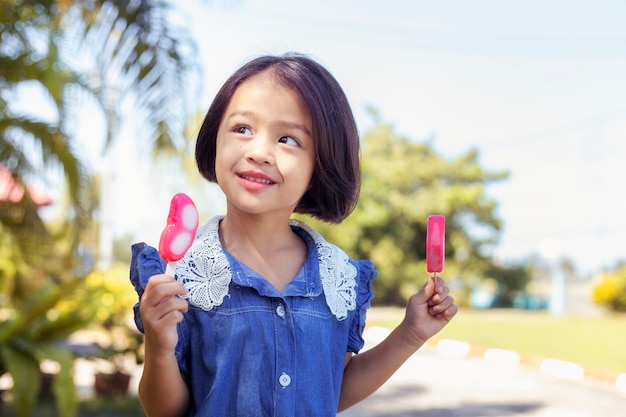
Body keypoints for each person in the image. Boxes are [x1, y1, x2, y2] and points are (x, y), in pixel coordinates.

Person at [130, 52, 458, 417]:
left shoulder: (337, 279)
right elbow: (164, 411)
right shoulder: (181, 274)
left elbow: (334, 389)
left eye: (287, 139)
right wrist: (159, 347)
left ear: (320, 165)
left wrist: (410, 334)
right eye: (242, 129)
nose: (259, 152)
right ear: (215, 138)